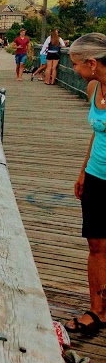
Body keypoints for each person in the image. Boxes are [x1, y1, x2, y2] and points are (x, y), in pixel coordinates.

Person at [63, 33, 106, 337]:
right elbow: (96, 134)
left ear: (92, 63)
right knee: (96, 244)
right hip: (95, 176)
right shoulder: (94, 88)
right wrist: (82, 172)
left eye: (76, 65)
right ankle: (98, 310)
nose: (74, 70)